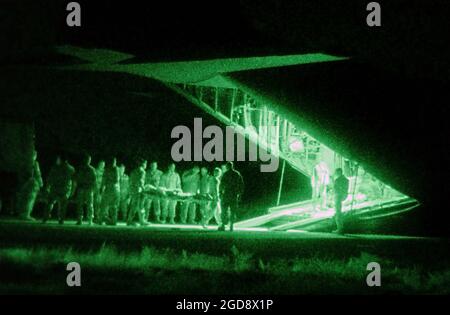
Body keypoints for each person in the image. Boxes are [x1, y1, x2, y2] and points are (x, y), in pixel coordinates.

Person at [42, 156, 75, 224]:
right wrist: (72, 191)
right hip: (64, 189)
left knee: (50, 203)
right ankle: (61, 219)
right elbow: (74, 181)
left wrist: (47, 187)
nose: (57, 160)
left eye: (58, 159)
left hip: (56, 189)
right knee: (62, 205)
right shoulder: (71, 169)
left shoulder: (55, 168)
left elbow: (50, 179)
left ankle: (46, 217)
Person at [16, 150, 43, 221]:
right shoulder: (34, 163)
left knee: (24, 198)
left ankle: (22, 213)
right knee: (30, 199)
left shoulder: (24, 163)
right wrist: (40, 182)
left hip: (25, 183)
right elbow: (37, 173)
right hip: (32, 183)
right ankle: (26, 214)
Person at [218, 162, 244, 231]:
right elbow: (241, 185)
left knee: (224, 210)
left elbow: (221, 184)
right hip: (234, 195)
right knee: (233, 211)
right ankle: (231, 226)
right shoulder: (237, 174)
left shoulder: (225, 174)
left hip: (226, 194)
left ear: (227, 167)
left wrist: (220, 193)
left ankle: (223, 225)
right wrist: (240, 194)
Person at [73, 154, 97, 225]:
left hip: (84, 188)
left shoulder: (82, 168)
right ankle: (88, 220)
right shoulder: (91, 169)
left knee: (83, 204)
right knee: (87, 204)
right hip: (86, 188)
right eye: (88, 159)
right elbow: (94, 180)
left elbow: (75, 178)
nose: (88, 161)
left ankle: (82, 219)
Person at [99, 157, 121, 225]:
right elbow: (117, 180)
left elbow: (104, 180)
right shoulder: (116, 169)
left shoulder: (108, 170)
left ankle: (102, 219)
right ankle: (113, 221)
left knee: (104, 205)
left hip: (109, 189)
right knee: (113, 206)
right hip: (116, 190)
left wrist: (102, 187)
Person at [127, 159, 147, 226]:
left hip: (133, 190)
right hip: (138, 191)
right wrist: (144, 189)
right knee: (139, 206)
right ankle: (132, 221)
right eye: (145, 164)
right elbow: (141, 181)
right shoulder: (142, 171)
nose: (146, 165)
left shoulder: (133, 171)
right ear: (143, 164)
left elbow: (130, 181)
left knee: (135, 206)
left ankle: (140, 220)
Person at [333, 168, 349, 234]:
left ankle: (340, 229)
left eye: (336, 172)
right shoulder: (346, 179)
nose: (335, 173)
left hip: (338, 196)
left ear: (339, 172)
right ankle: (340, 228)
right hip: (342, 195)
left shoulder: (338, 180)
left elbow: (335, 188)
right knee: (338, 212)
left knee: (338, 212)